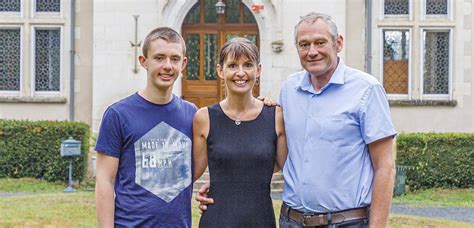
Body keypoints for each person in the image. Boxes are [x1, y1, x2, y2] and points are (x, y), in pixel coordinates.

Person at [197, 12, 397, 227]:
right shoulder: (290, 90)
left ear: (338, 43)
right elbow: (271, 155)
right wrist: (229, 180)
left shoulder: (366, 90)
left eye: (320, 42)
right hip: (291, 220)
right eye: (304, 44)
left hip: (345, 222)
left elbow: (385, 166)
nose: (312, 51)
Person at [95, 27, 197, 227]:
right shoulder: (118, 114)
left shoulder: (192, 114)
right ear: (144, 61)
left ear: (183, 64)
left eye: (174, 59)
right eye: (159, 58)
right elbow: (104, 181)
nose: (167, 66)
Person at [193, 37, 288, 228]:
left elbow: (281, 166)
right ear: (221, 71)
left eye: (248, 65)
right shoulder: (204, 118)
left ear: (258, 70)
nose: (241, 73)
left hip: (260, 220)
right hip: (217, 219)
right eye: (233, 65)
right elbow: (192, 173)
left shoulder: (276, 116)